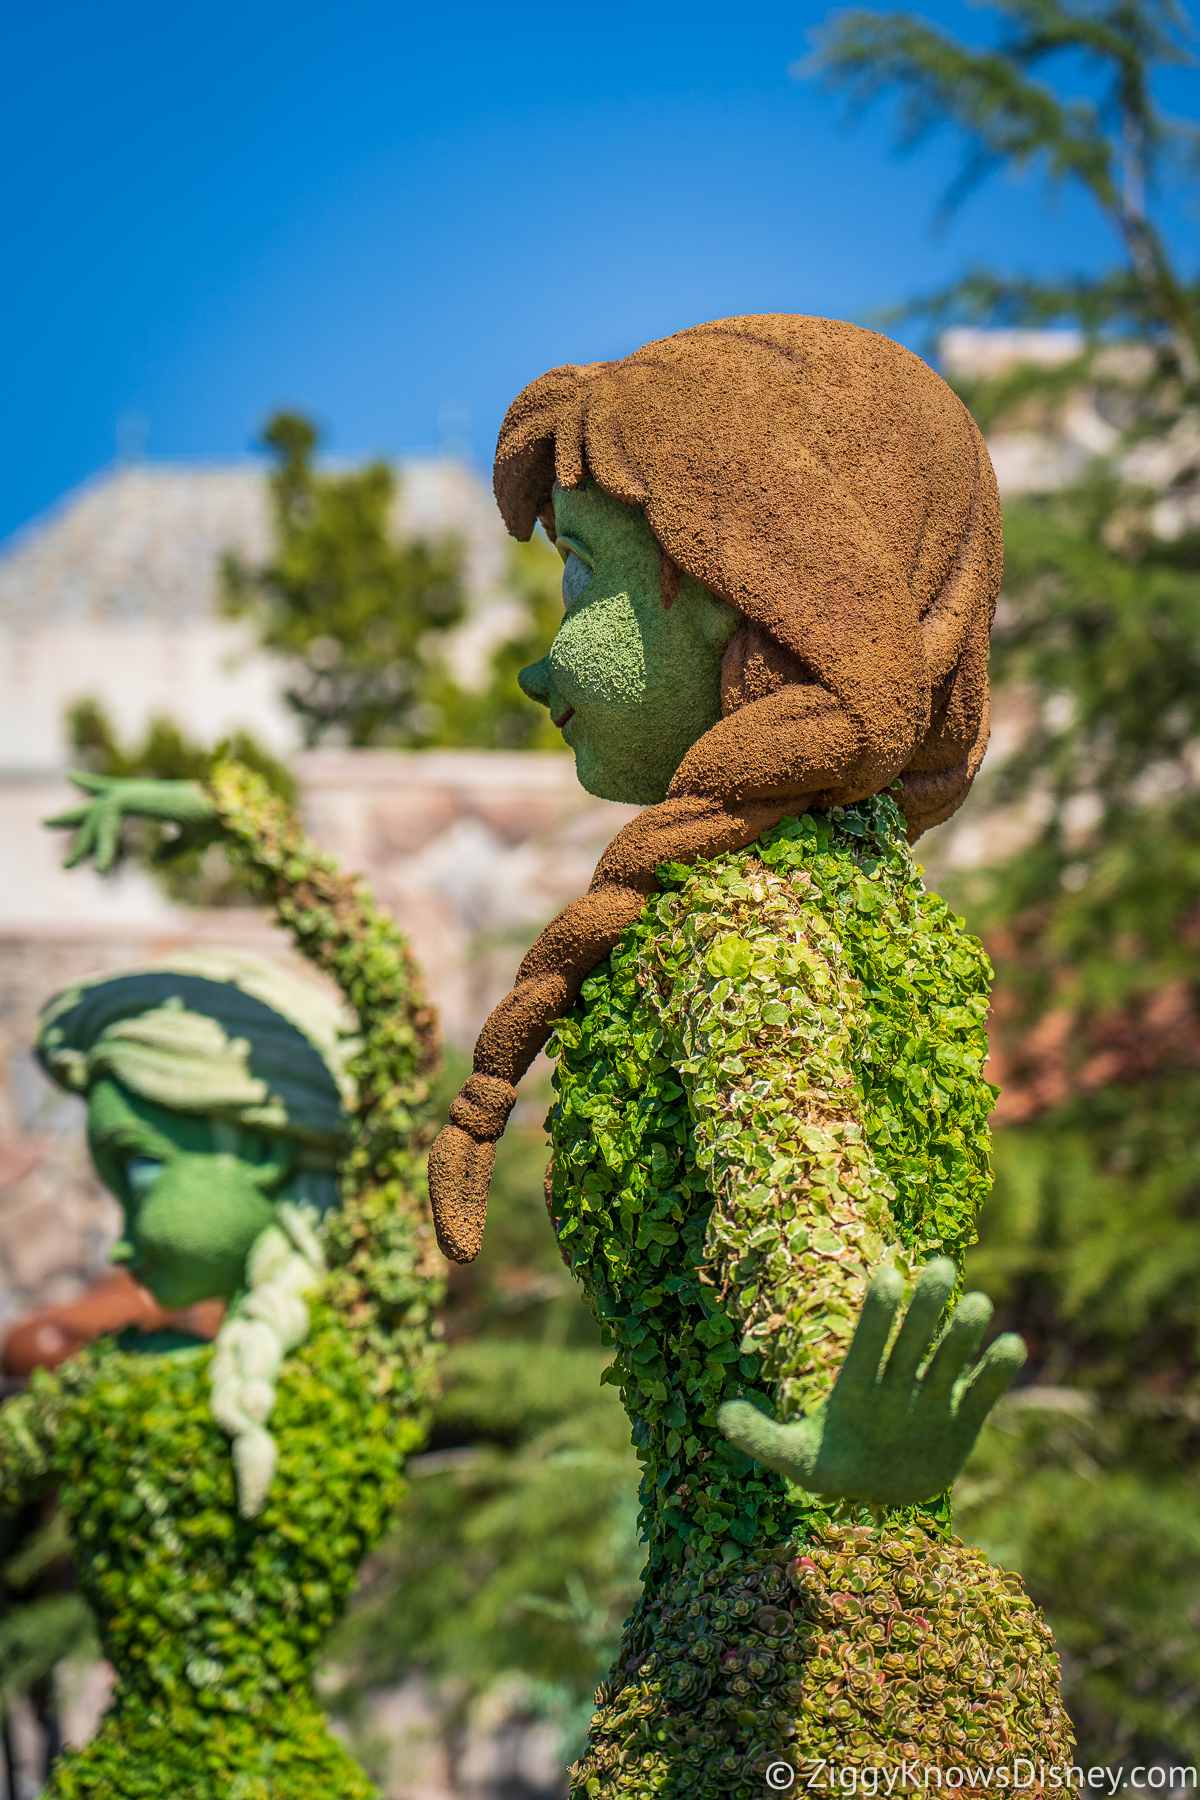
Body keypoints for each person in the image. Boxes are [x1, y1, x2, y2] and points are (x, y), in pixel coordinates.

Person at [429, 316, 1073, 1786]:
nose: (543, 667)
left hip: (790, 1659)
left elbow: (802, 1191)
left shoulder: (741, 915)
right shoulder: (875, 902)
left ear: (756, 595)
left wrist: (843, 1404)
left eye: (583, 574)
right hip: (852, 1632)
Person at [0, 763, 442, 1799]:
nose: (117, 1246)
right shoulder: (99, 1388)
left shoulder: (363, 1357)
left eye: (139, 1170)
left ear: (261, 1149)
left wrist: (225, 820)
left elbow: (390, 1009)